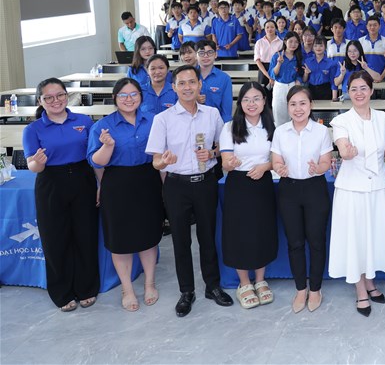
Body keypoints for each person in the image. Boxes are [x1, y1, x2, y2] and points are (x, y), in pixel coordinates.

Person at [146, 65, 233, 317]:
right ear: (174, 87)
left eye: (192, 82)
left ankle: (212, 286)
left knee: (208, 237)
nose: (187, 87)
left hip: (206, 182)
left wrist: (213, 153)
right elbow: (155, 162)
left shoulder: (212, 114)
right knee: (181, 241)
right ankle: (186, 291)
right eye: (181, 83)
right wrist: (164, 161)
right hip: (176, 185)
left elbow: (224, 146)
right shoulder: (162, 119)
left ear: (199, 85)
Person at [22, 78, 99, 311]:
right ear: (40, 101)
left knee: (86, 235)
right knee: (55, 238)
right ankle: (62, 292)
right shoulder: (33, 129)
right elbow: (32, 166)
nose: (56, 101)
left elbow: (94, 156)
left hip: (83, 178)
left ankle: (87, 287)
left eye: (60, 95)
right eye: (49, 97)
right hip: (51, 182)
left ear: (67, 96)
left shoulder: (84, 121)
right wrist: (38, 162)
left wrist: (101, 184)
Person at [87, 77, 162, 311]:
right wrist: (107, 146)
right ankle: (127, 289)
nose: (129, 99)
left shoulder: (154, 121)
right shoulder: (103, 126)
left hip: (148, 181)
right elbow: (96, 162)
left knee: (148, 236)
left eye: (133, 94)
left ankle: (150, 283)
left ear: (141, 96)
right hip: (117, 184)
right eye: (123, 95)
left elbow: (162, 156)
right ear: (115, 98)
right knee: (120, 240)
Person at [329, 72, 385, 316]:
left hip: (378, 188)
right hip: (352, 189)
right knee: (356, 238)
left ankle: (370, 281)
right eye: (354, 89)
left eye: (363, 88)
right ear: (348, 92)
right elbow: (343, 148)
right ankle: (360, 289)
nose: (359, 93)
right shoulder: (341, 121)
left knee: (373, 237)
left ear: (371, 90)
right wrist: (347, 152)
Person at [270, 85, 332, 313]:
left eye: (303, 103)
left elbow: (326, 162)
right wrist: (279, 167)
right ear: (287, 107)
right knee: (295, 242)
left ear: (311, 105)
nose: (298, 109)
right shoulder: (280, 132)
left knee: (316, 241)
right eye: (293, 104)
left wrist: (318, 168)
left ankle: (315, 288)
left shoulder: (321, 131)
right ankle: (300, 288)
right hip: (289, 190)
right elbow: (276, 160)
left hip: (315, 188)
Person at [219, 82, 278, 310]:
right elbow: (225, 162)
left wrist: (265, 167)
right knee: (239, 233)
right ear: (240, 103)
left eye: (256, 99)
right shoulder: (230, 127)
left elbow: (278, 159)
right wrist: (230, 163)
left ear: (264, 101)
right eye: (246, 99)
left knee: (262, 231)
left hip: (262, 183)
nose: (251, 104)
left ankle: (260, 280)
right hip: (238, 184)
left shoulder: (272, 127)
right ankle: (244, 283)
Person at [269, 32, 304, 126]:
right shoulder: (277, 56)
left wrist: (298, 81)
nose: (293, 44)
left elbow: (300, 74)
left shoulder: (298, 57)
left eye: (296, 42)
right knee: (279, 113)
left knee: (293, 114)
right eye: (291, 41)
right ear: (285, 41)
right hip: (280, 87)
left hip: (293, 86)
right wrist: (279, 63)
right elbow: (272, 75)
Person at [195, 39, 233, 123]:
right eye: (201, 53)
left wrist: (225, 127)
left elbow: (226, 111)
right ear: (196, 56)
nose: (206, 56)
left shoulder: (224, 79)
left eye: (210, 52)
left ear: (216, 55)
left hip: (215, 123)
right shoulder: (189, 77)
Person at [253, 19, 283, 88]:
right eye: (267, 27)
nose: (270, 29)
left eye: (272, 27)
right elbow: (257, 60)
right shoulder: (259, 42)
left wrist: (273, 75)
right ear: (264, 29)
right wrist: (269, 76)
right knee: (263, 91)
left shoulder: (281, 43)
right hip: (263, 69)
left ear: (276, 29)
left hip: (276, 68)